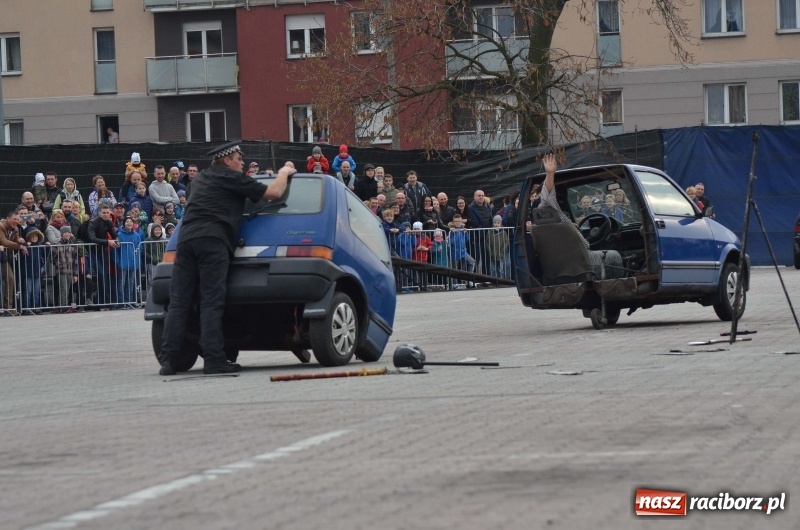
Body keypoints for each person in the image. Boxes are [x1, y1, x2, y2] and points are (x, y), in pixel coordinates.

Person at [159, 141, 295, 376]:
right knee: (211, 301)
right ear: (227, 159)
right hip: (213, 241)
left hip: (186, 241)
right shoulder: (232, 178)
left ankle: (169, 361)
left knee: (179, 302)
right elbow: (274, 193)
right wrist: (284, 172)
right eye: (239, 158)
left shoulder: (201, 179)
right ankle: (214, 360)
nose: (242, 162)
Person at [538, 152, 623, 279]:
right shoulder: (549, 210)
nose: (559, 200)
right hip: (580, 260)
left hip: (558, 264)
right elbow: (547, 196)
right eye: (557, 197)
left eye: (560, 198)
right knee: (615, 255)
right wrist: (550, 174)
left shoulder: (545, 225)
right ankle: (617, 289)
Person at [0, 210, 28, 316]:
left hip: (4, 258)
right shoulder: (1, 226)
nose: (16, 221)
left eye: (18, 219)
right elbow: (4, 241)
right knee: (9, 278)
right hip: (2, 255)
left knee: (10, 278)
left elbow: (14, 239)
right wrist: (19, 246)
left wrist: (19, 240)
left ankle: (8, 307)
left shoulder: (15, 228)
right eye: (14, 219)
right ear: (8, 219)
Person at [115, 217, 143, 308]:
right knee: (121, 283)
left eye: (131, 221)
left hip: (133, 262)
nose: (129, 223)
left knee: (131, 283)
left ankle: (130, 301)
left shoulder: (137, 235)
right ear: (124, 224)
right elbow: (115, 250)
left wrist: (137, 261)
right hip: (123, 262)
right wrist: (118, 261)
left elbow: (139, 249)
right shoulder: (119, 235)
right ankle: (121, 302)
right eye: (127, 222)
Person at [51, 225, 79, 312]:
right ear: (61, 234)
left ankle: (65, 305)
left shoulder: (72, 244)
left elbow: (75, 259)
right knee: (63, 288)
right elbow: (51, 257)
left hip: (70, 270)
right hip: (61, 270)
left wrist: (75, 273)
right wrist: (58, 264)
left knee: (68, 289)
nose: (67, 234)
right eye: (65, 232)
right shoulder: (57, 243)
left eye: (68, 232)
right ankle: (63, 306)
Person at [20, 229, 46, 315]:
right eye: (32, 236)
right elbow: (22, 257)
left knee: (36, 290)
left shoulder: (40, 246)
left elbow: (44, 257)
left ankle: (36, 307)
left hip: (37, 271)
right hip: (28, 271)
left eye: (35, 236)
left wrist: (48, 247)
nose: (34, 237)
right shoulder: (26, 246)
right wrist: (25, 245)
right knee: (28, 290)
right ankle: (27, 307)